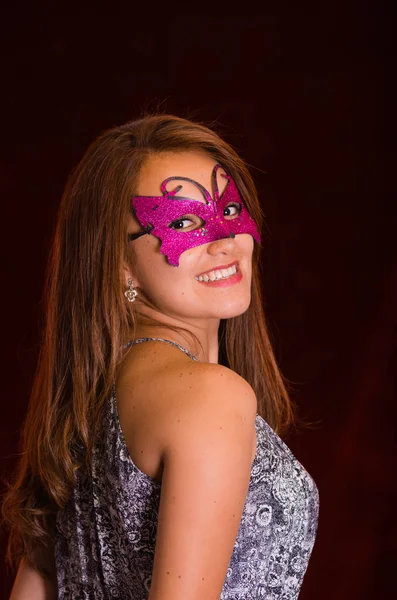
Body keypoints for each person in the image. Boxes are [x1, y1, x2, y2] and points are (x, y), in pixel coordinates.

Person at [2, 114, 319, 599]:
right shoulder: (211, 396)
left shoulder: (86, 401)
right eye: (183, 223)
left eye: (231, 211)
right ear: (120, 265)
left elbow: (35, 585)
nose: (224, 239)